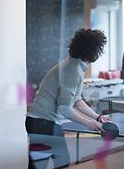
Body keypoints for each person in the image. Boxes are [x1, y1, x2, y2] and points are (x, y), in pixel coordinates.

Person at [25, 28, 112, 168]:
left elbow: (76, 100)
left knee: (58, 162)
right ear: (92, 50)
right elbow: (64, 108)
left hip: (43, 122)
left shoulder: (75, 65)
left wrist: (97, 117)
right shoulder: (74, 70)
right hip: (42, 123)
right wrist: (87, 123)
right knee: (56, 163)